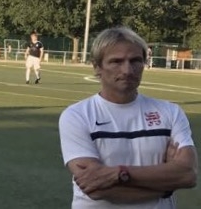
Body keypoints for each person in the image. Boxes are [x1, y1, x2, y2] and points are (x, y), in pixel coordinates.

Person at [59, 26, 197, 207]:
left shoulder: (170, 112)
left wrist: (119, 173)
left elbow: (187, 175)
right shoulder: (77, 116)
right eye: (116, 61)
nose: (127, 70)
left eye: (135, 60)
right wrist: (166, 186)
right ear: (97, 67)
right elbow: (96, 188)